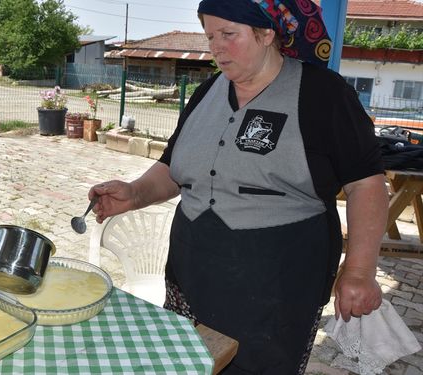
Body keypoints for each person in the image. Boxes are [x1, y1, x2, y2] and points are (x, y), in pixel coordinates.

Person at [89, 1, 388, 373]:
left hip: (278, 284)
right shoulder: (207, 92)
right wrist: (133, 193)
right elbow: (173, 168)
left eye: (228, 34)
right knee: (190, 363)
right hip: (192, 270)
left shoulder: (322, 94)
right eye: (210, 36)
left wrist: (359, 271)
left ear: (266, 34)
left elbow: (366, 184)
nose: (216, 47)